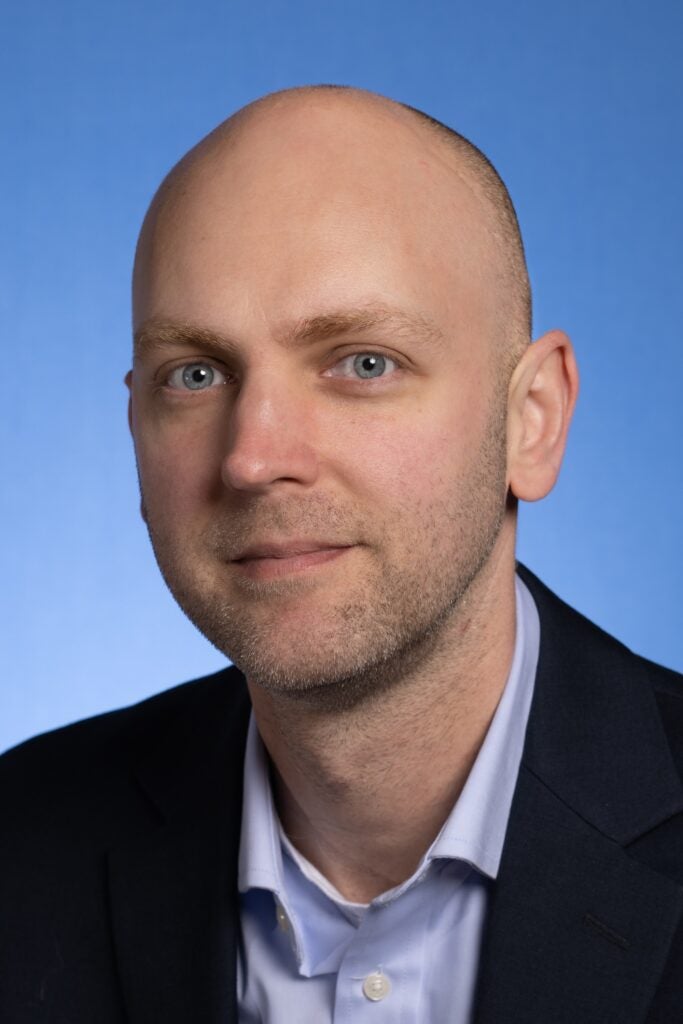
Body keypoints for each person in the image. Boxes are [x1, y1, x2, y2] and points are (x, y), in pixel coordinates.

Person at [1, 85, 682, 1024]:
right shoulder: (22, 844)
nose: (252, 458)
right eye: (194, 375)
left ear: (532, 421)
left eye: (363, 362)